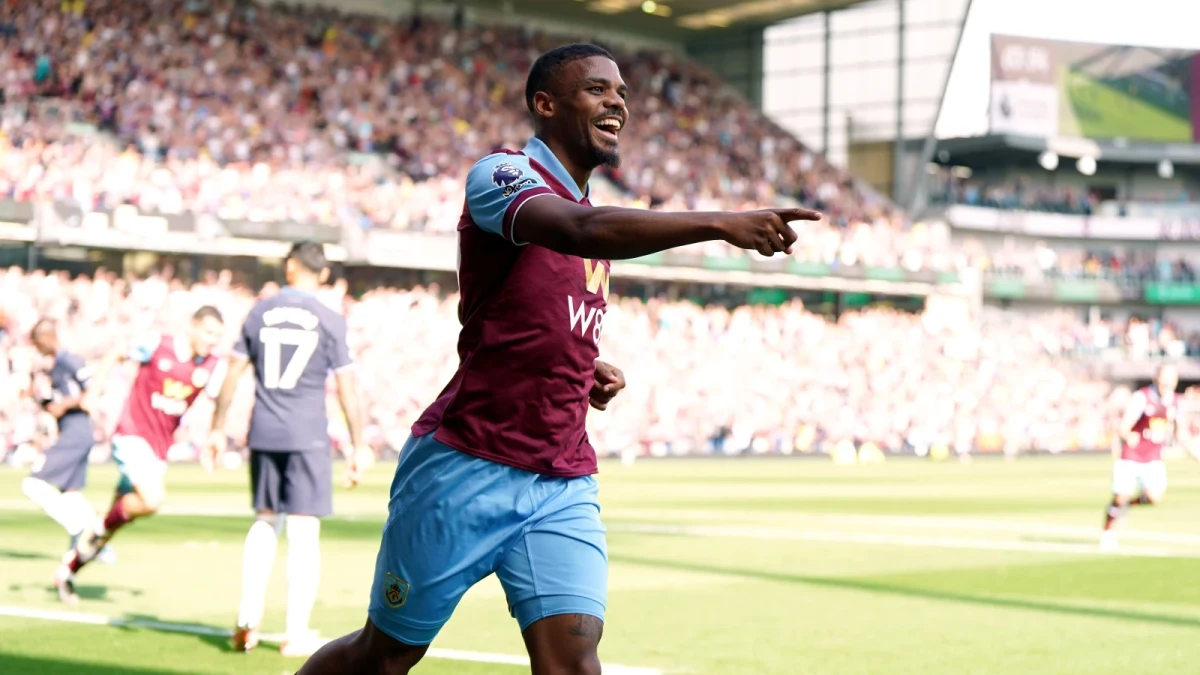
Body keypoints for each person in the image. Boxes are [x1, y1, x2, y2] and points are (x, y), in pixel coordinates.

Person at [297, 43, 819, 675]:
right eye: (598, 89)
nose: (618, 101)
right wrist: (719, 222)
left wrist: (580, 366)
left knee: (573, 663)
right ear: (545, 104)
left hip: (562, 476)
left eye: (622, 92)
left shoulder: (588, 215)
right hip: (468, 462)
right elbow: (579, 231)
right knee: (384, 656)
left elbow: (543, 304)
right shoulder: (502, 175)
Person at [207, 242, 369, 658]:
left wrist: (217, 428)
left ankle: (248, 615)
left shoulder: (259, 312)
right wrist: (358, 444)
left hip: (264, 430)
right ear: (324, 275)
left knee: (265, 520)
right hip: (307, 434)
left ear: (290, 267)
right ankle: (295, 633)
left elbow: (231, 377)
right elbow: (347, 391)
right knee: (303, 530)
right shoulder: (330, 319)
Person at [54, 306, 227, 603]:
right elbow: (115, 353)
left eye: (217, 336)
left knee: (115, 521)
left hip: (158, 449)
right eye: (209, 333)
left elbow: (218, 400)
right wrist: (94, 392)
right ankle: (97, 526)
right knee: (152, 499)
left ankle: (68, 570)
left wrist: (214, 435)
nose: (212, 341)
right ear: (193, 326)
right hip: (131, 435)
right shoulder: (157, 344)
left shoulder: (211, 365)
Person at [21, 319, 114, 587]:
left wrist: (63, 405)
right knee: (71, 495)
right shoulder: (55, 367)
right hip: (72, 431)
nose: (38, 350)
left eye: (39, 344)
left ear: (48, 337)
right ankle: (96, 544)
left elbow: (92, 391)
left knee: (32, 483)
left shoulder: (70, 360)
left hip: (77, 432)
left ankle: (82, 528)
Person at [1100, 364, 1192, 550]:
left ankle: (1127, 506)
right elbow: (1124, 426)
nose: (1168, 383)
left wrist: (1194, 453)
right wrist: (1127, 435)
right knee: (1119, 497)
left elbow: (1181, 434)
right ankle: (1108, 533)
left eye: (1171, 379)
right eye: (1165, 378)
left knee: (1154, 497)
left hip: (1153, 457)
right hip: (1131, 456)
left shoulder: (1176, 402)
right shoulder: (1142, 398)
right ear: (1156, 378)